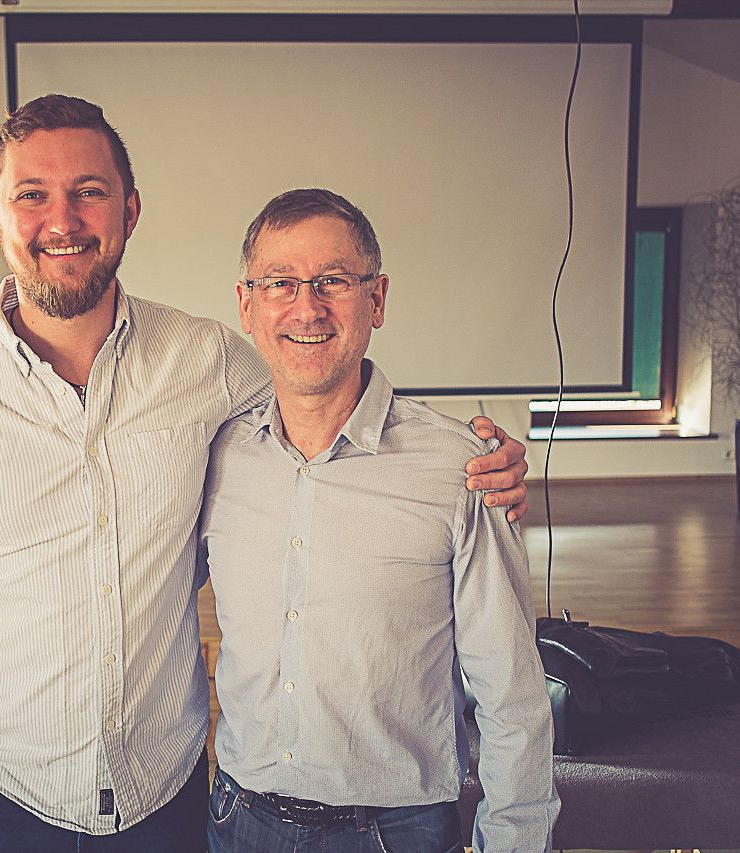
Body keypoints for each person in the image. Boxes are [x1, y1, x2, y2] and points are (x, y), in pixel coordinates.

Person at [0, 95, 529, 853]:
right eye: (32, 194)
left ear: (129, 211)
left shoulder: (210, 362)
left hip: (164, 798)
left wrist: (472, 457)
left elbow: (322, 393)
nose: (62, 220)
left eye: (89, 191)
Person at [199, 188, 557, 852]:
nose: (307, 306)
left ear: (378, 298)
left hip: (395, 832)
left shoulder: (462, 469)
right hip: (238, 819)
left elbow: (512, 693)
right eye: (280, 282)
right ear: (247, 305)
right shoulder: (217, 455)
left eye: (333, 280)